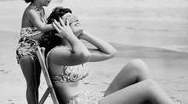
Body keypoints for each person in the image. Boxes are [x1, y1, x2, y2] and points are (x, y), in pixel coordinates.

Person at [39, 6, 173, 104]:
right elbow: (84, 54)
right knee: (149, 86)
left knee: (137, 65)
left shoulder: (73, 51)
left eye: (74, 16)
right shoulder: (56, 53)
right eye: (68, 18)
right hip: (81, 103)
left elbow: (110, 52)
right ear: (58, 30)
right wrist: (70, 35)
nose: (74, 18)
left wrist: (83, 33)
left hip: (95, 99)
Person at [16, 0, 56, 104]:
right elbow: (43, 27)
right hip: (26, 51)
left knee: (37, 83)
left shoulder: (41, 10)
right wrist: (57, 25)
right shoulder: (31, 11)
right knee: (31, 84)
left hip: (37, 50)